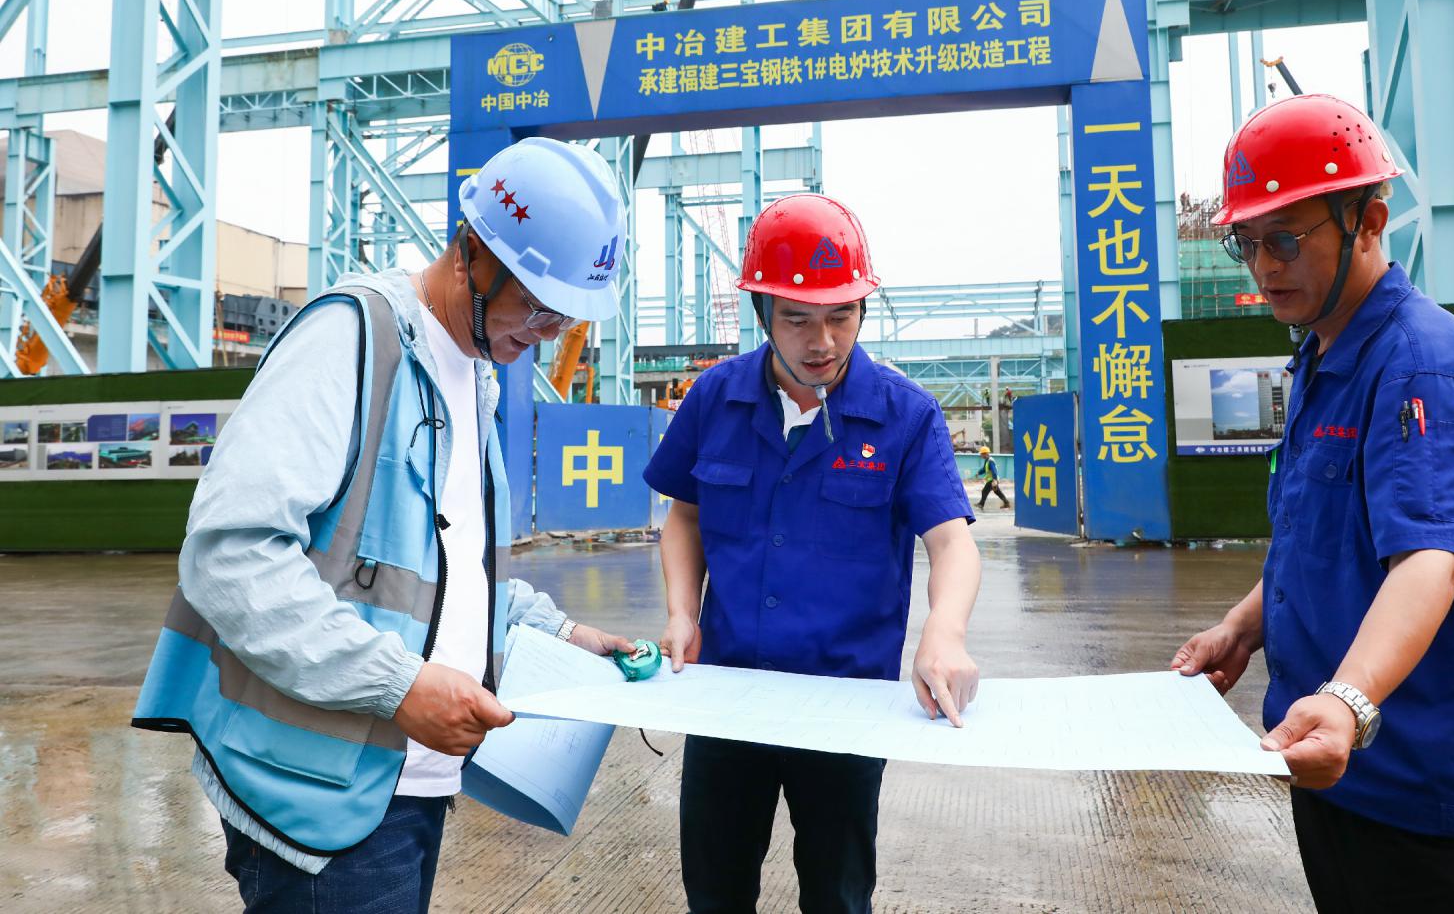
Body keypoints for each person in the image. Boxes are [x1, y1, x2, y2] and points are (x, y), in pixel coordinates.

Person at [134, 139, 639, 912]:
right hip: (319, 796)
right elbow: (230, 553)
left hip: (405, 784)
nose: (546, 332)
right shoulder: (350, 338)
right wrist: (398, 684)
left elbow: (446, 573)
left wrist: (561, 633)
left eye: (564, 317)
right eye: (538, 304)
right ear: (473, 253)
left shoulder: (473, 376)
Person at [1170, 94, 1454, 912]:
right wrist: (1243, 627)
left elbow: (1430, 560)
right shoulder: (1325, 360)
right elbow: (1323, 539)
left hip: (1431, 795)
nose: (1263, 266)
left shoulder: (1426, 367)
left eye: (1286, 239)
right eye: (1246, 242)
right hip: (1338, 764)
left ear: (1369, 221)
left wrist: (1349, 697)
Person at [642, 193, 982, 914]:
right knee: (715, 891)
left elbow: (951, 540)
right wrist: (680, 611)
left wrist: (945, 632)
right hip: (727, 696)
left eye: (842, 315)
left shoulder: (905, 415)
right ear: (762, 310)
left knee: (837, 895)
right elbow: (684, 516)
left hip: (845, 707)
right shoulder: (714, 398)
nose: (822, 340)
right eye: (797, 318)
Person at [975, 445, 1010, 510]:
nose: (981, 455)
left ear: (985, 454)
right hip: (991, 479)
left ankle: (981, 504)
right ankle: (1006, 503)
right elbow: (984, 469)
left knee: (984, 491)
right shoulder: (987, 461)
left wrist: (994, 480)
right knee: (997, 492)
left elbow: (994, 471)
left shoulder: (990, 461)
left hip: (992, 480)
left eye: (981, 454)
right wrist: (978, 473)